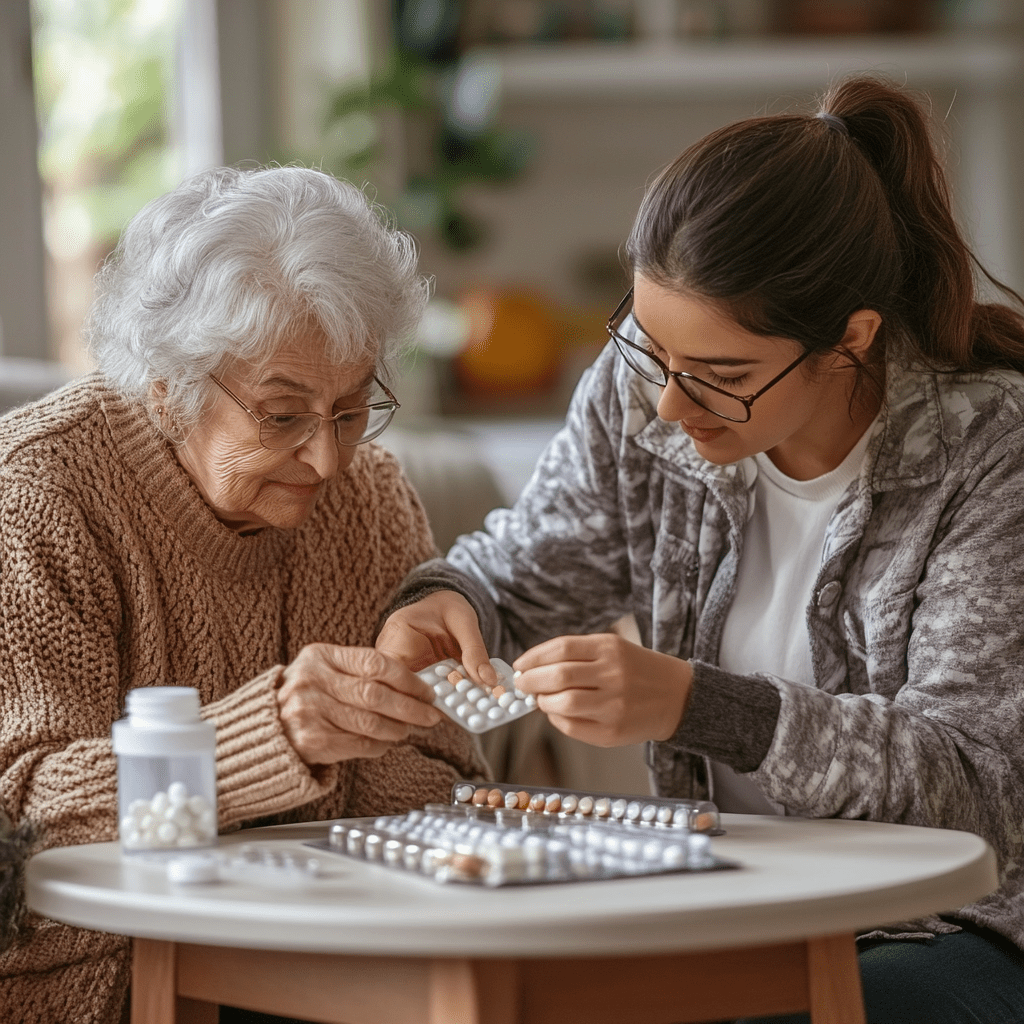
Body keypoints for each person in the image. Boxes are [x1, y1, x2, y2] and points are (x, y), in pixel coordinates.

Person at [376, 75, 1024, 1022]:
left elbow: (976, 787)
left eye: (721, 376)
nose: (672, 409)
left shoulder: (990, 453)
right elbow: (534, 561)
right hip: (720, 908)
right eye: (653, 351)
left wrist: (694, 703)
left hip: (954, 929)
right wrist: (455, 600)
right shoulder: (644, 391)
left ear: (853, 340)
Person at [0, 165, 486, 1024]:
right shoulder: (39, 496)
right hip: (100, 982)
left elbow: (447, 782)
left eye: (350, 409)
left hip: (338, 959)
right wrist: (270, 740)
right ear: (168, 385)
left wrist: (368, 733)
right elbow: (24, 815)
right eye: (282, 414)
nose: (328, 462)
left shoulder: (369, 498)